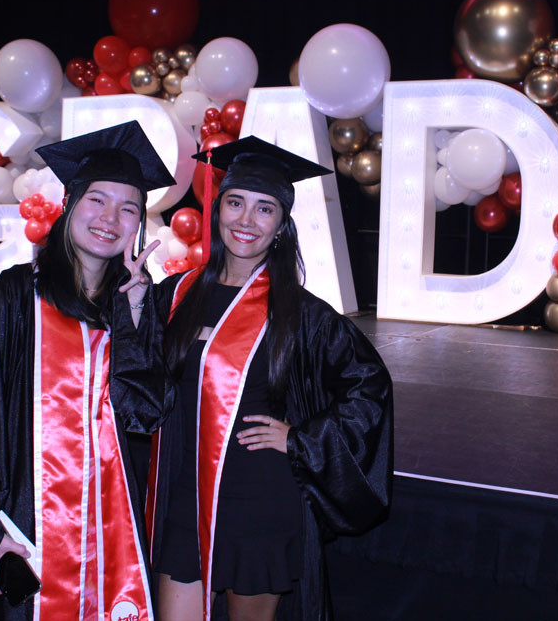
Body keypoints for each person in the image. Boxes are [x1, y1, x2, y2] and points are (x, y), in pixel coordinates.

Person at [0, 121, 175, 621]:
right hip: (24, 521)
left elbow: (141, 416)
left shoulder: (133, 305)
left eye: (129, 208)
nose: (111, 218)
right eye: (97, 200)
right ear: (70, 204)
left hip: (111, 527)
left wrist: (134, 319)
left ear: (139, 226)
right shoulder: (13, 298)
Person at [145, 136, 394, 621]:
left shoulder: (301, 314)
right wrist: (130, 307)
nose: (245, 220)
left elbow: (369, 388)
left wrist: (302, 439)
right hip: (181, 492)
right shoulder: (174, 294)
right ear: (217, 211)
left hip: (257, 499)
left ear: (281, 226)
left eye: (265, 209)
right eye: (235, 203)